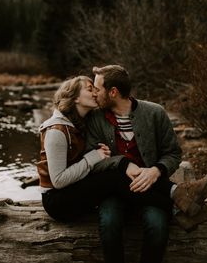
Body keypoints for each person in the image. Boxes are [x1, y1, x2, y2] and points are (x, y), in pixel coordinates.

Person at [85, 64, 207, 263]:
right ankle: (181, 196)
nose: (93, 93)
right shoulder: (94, 118)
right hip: (114, 192)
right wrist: (122, 163)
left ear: (113, 92)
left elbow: (172, 153)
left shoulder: (155, 113)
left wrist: (156, 170)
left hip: (152, 187)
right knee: (109, 223)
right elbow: (91, 161)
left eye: (97, 88)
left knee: (158, 225)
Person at [37, 75, 175, 222]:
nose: (95, 94)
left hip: (73, 188)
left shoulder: (79, 123)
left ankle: (175, 193)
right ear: (75, 97)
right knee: (115, 177)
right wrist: (93, 157)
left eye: (96, 90)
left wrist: (100, 154)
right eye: (90, 90)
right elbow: (58, 181)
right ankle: (173, 205)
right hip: (58, 201)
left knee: (116, 173)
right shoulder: (56, 131)